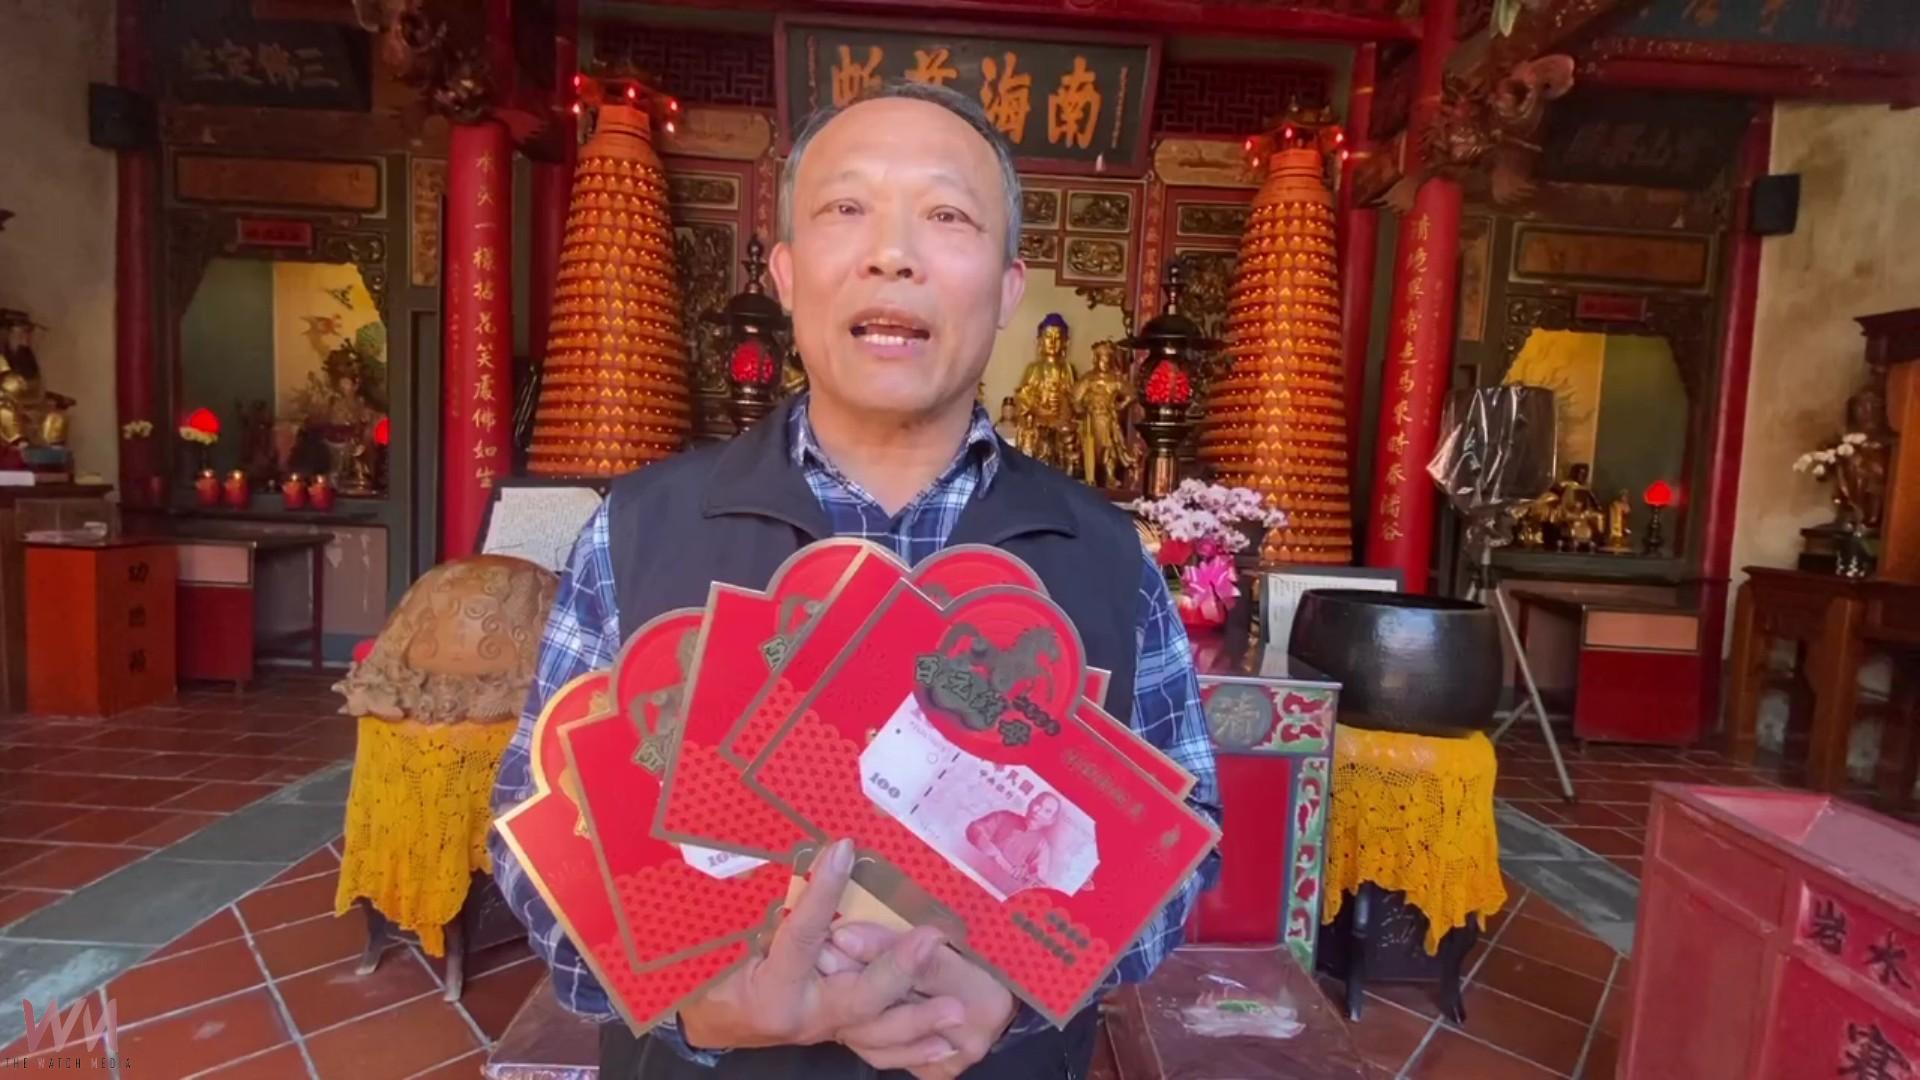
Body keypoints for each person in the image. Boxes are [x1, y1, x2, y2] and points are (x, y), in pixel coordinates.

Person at [490, 79, 1221, 1080]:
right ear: (788, 273)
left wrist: (1012, 997)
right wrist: (704, 1009)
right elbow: (533, 838)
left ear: (1008, 290)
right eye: (847, 208)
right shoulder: (640, 530)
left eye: (947, 215)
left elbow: (1184, 852)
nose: (893, 251)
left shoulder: (1106, 556)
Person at [965, 792, 1062, 893]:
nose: (1038, 812)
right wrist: (995, 854)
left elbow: (1037, 884)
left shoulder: (1042, 846)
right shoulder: (1004, 816)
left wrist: (1024, 875)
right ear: (1031, 803)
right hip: (969, 873)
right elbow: (974, 829)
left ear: (1051, 820)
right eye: (1038, 804)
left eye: (1047, 811)